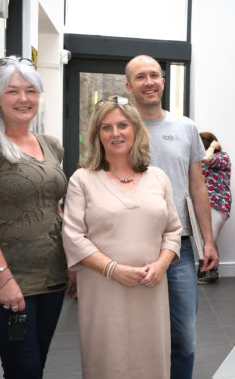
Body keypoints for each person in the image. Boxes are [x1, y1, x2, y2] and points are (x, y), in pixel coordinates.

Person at [62, 96, 182, 378]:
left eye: (122, 125)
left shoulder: (159, 178)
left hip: (151, 287)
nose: (115, 133)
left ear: (136, 130)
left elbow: (173, 230)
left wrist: (162, 264)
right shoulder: (83, 179)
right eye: (106, 127)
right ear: (97, 135)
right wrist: (114, 270)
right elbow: (74, 237)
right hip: (103, 289)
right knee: (108, 357)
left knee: (151, 356)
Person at [0, 56, 71, 378]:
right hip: (10, 279)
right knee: (23, 370)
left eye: (31, 90)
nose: (24, 99)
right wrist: (3, 278)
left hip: (52, 276)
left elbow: (53, 206)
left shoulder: (50, 145)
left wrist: (70, 263)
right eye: (13, 91)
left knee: (37, 366)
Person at [125, 55, 218, 379]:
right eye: (140, 77)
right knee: (135, 336)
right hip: (129, 247)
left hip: (179, 246)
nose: (149, 82)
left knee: (184, 337)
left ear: (163, 81)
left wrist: (209, 240)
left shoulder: (186, 127)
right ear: (129, 85)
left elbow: (197, 186)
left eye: (154, 75)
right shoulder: (120, 127)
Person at [198, 132, 232, 284]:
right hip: (203, 204)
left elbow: (207, 159)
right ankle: (211, 270)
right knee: (208, 237)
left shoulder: (222, 157)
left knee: (210, 237)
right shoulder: (198, 161)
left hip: (218, 204)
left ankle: (208, 271)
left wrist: (213, 145)